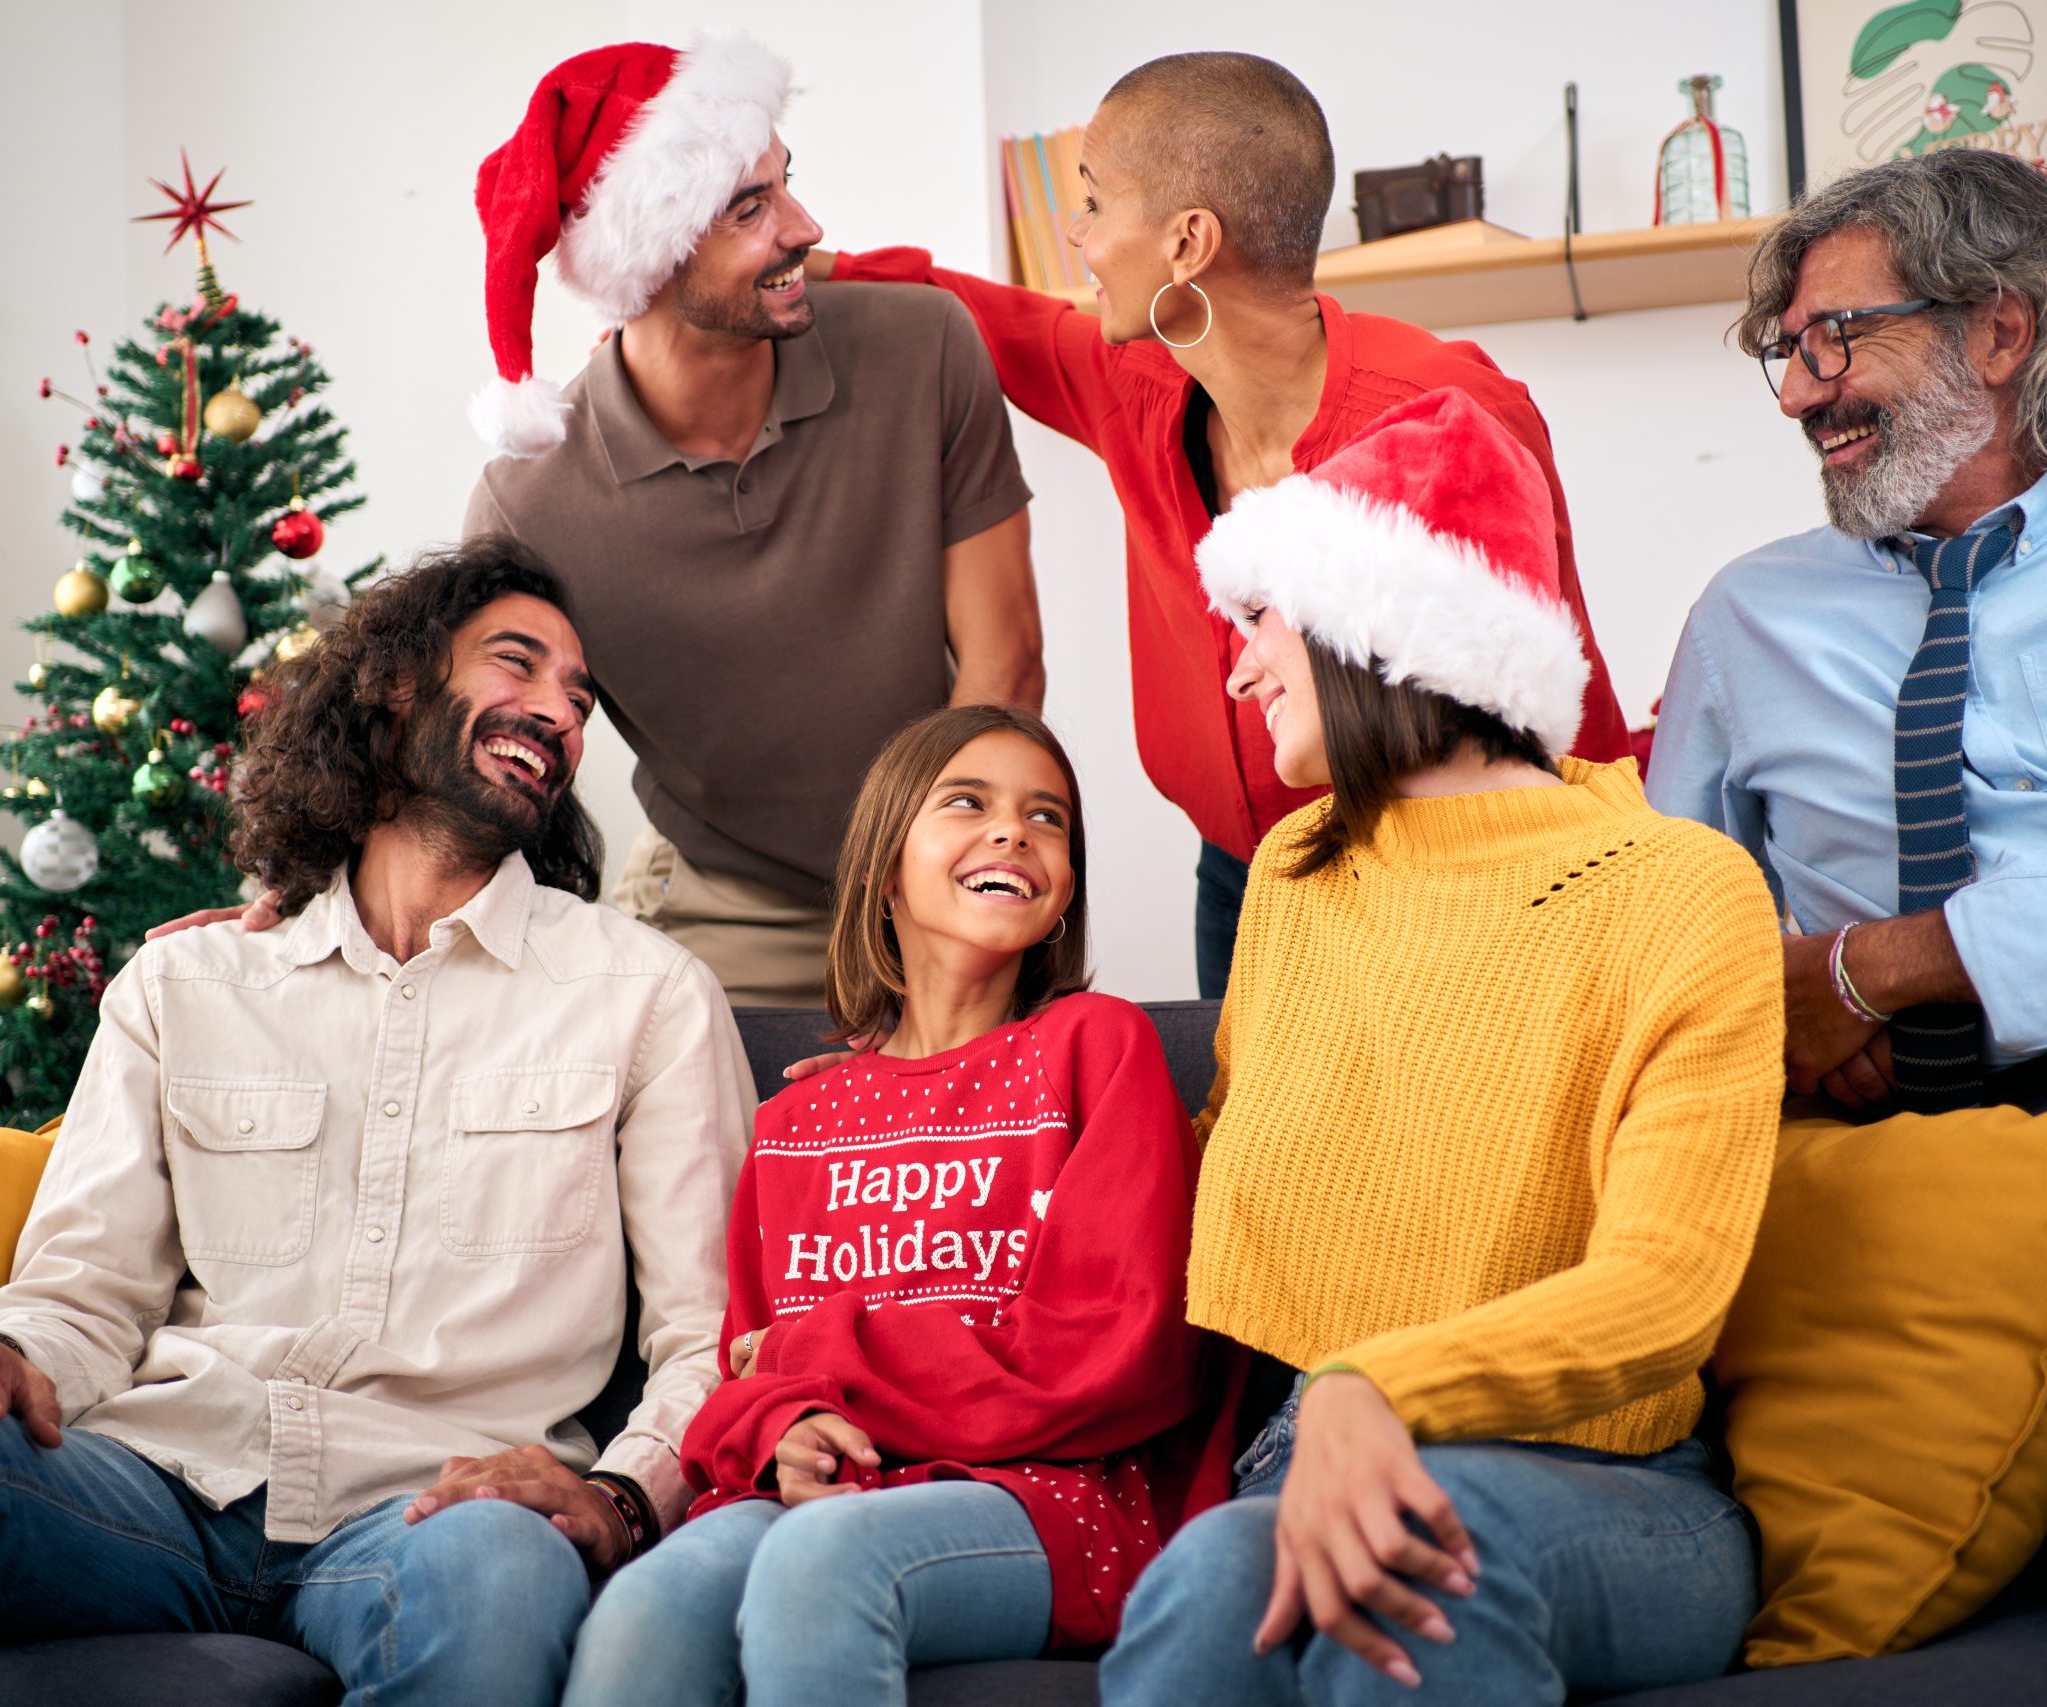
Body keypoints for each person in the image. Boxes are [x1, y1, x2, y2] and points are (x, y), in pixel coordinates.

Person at [0, 545, 752, 1707]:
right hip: (156, 1482)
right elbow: (87, 1290)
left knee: (501, 1574)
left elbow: (710, 1336)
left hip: (431, 1509)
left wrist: (624, 1499)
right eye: (517, 665)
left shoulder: (649, 996)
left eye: (579, 700)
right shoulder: (190, 984)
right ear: (396, 687)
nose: (560, 714)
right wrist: (12, 1358)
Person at [1096, 388, 1785, 1706]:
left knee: (1413, 1566)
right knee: (1197, 1596)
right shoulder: (1294, 868)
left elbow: (1669, 1283)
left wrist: (1379, 1378)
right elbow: (1217, 1155)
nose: (1238, 670)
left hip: (1616, 1484)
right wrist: (965, 1117)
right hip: (1307, 1451)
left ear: (1376, 631)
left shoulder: (1679, 889)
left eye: (1261, 623)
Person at [1647, 148, 2047, 1356]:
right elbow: (1671, 906)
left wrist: (1875, 968)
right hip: (1879, 1118)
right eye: (1786, 354)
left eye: (1834, 336)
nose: (1799, 395)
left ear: (2001, 332)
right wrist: (1775, 1005)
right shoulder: (1744, 614)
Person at [813, 51, 1631, 995]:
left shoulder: (1446, 417)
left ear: (1187, 241)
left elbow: (1558, 707)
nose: (1077, 234)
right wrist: (814, 267)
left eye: (1093, 200)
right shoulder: (1142, 382)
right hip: (1238, 878)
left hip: (1429, 884)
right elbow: (1001, 322)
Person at [570, 704, 1235, 1707]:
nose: (1015, 831)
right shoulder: (797, 1119)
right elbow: (741, 1378)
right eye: (968, 802)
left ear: (1061, 898)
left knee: (824, 1563)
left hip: (1048, 1499)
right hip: (829, 1488)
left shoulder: (1098, 1049)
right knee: (642, 1609)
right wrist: (784, 1425)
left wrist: (816, 1362)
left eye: (1047, 818)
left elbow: (1119, 1352)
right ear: (885, 866)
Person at [463, 37, 1044, 1005]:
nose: (804, 227)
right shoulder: (531, 504)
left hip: (944, 867)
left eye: (785, 184)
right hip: (725, 906)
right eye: (750, 209)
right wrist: (317, 887)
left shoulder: (925, 348)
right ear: (651, 259)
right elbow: (471, 748)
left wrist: (934, 891)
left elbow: (1005, 667)